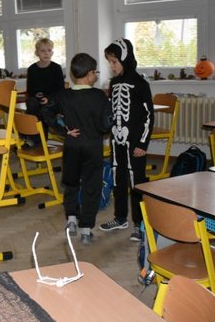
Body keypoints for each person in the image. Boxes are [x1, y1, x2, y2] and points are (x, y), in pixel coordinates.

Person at [43, 53, 113, 245]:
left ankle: (71, 220)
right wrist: (100, 129)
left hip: (72, 146)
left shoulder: (64, 95)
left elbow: (46, 111)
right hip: (92, 147)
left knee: (71, 183)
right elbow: (106, 125)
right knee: (91, 187)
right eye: (95, 72)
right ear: (89, 74)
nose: (96, 75)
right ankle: (86, 230)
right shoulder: (99, 96)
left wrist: (63, 131)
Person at [99, 38, 154, 242]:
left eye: (114, 62)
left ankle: (140, 224)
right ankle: (120, 217)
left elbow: (149, 116)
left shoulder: (140, 84)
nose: (111, 66)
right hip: (117, 141)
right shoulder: (114, 83)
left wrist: (143, 143)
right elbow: (112, 111)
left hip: (135, 143)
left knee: (136, 182)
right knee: (118, 179)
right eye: (109, 62)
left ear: (125, 58)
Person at [25, 37, 65, 144]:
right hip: (37, 100)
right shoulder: (32, 69)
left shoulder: (56, 68)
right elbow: (30, 89)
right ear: (37, 53)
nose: (46, 53)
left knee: (43, 110)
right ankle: (37, 138)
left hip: (53, 100)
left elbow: (61, 90)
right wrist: (37, 95)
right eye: (42, 51)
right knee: (32, 103)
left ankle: (37, 139)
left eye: (49, 50)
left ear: (52, 52)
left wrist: (48, 98)